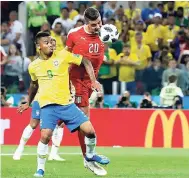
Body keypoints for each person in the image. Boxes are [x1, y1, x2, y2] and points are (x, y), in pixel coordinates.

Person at [18, 32, 109, 177]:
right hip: (48, 107)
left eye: (50, 42)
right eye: (46, 42)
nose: (50, 44)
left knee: (90, 130)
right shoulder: (33, 66)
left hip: (67, 105)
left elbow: (85, 60)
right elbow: (34, 84)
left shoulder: (63, 55)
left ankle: (90, 155)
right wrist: (28, 102)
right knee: (45, 136)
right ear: (38, 46)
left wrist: (93, 80)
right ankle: (40, 169)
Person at [66, 7, 108, 176]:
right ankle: (88, 159)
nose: (98, 26)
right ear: (86, 23)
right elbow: (66, 58)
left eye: (99, 22)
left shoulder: (105, 33)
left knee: (75, 120)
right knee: (84, 122)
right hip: (77, 82)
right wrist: (66, 83)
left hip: (91, 83)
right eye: (94, 25)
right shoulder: (74, 34)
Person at [13, 38, 65, 161]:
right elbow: (33, 84)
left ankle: (53, 153)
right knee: (33, 124)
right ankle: (19, 148)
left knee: (59, 125)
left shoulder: (60, 60)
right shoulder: (37, 64)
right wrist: (28, 102)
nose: (52, 46)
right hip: (41, 98)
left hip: (57, 99)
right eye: (49, 44)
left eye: (54, 45)